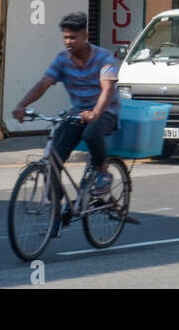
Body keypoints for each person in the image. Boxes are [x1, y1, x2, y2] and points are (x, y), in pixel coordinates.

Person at [11, 12, 120, 197]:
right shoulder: (62, 60)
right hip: (77, 114)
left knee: (91, 132)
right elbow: (43, 83)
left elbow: (107, 89)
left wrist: (95, 113)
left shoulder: (104, 58)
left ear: (86, 35)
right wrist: (21, 105)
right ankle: (57, 207)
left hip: (105, 111)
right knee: (53, 159)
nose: (69, 42)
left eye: (73, 37)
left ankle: (103, 172)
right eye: (66, 38)